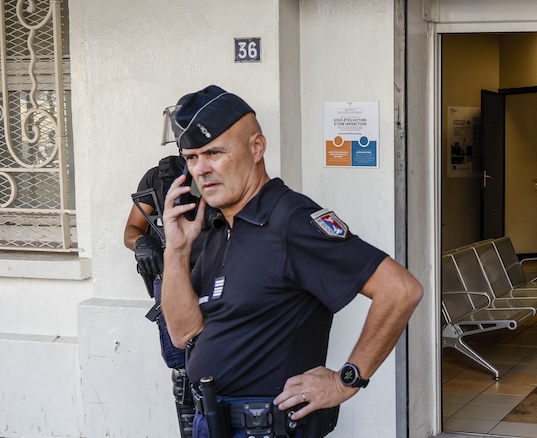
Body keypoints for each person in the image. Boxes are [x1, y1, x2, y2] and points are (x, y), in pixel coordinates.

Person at [159, 86, 424, 438]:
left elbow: (401, 289)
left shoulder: (290, 220)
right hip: (213, 421)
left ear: (256, 148)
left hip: (268, 428)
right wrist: (175, 251)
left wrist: (347, 380)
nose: (201, 169)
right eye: (192, 158)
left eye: (214, 152)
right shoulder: (221, 226)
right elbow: (182, 334)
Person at [124, 148, 199, 438]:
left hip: (219, 279)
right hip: (173, 281)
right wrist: (142, 244)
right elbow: (132, 229)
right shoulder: (160, 177)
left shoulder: (230, 171)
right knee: (182, 370)